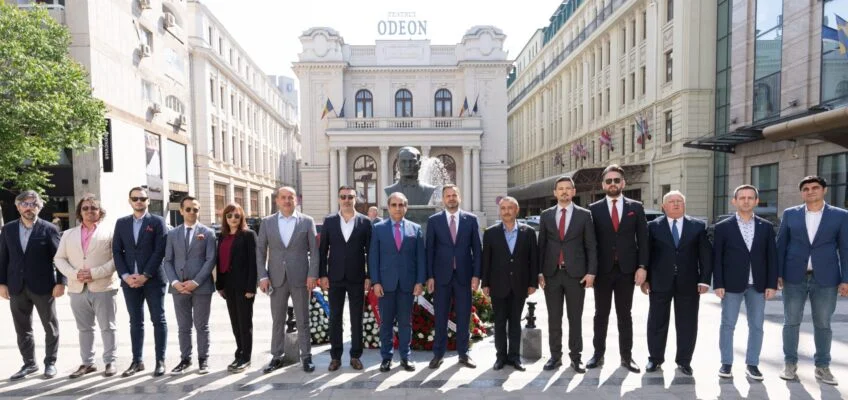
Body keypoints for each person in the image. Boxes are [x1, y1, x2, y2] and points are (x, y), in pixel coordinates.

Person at [776, 175, 848, 385]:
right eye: (806, 189)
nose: (810, 191)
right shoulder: (790, 214)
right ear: (802, 193)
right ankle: (790, 364)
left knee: (823, 324)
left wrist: (846, 279)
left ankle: (822, 367)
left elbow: (845, 249)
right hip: (793, 277)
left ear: (824, 190)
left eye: (815, 188)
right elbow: (781, 245)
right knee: (791, 322)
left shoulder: (840, 216)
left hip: (826, 278)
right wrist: (777, 274)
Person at [642, 190, 712, 376]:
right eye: (671, 201)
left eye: (679, 201)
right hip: (659, 282)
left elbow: (705, 255)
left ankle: (684, 361)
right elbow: (646, 253)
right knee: (656, 322)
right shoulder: (653, 226)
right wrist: (645, 279)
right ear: (663, 206)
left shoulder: (697, 226)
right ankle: (655, 359)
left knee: (687, 323)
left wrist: (705, 280)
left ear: (684, 205)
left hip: (689, 283)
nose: (675, 204)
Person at [586, 165, 648, 373]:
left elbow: (643, 240)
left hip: (626, 270)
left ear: (623, 183)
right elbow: (590, 243)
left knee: (625, 315)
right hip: (602, 270)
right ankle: (598, 355)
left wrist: (642, 267)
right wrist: (591, 270)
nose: (612, 184)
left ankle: (626, 357)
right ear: (603, 185)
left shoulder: (636, 207)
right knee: (600, 314)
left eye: (616, 180)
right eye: (609, 181)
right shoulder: (593, 209)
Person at [713, 185, 777, 380]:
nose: (746, 201)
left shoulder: (766, 227)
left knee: (757, 326)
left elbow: (772, 257)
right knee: (728, 324)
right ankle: (726, 363)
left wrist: (771, 284)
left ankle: (752, 364)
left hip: (758, 285)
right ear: (734, 201)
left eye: (750, 198)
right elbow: (717, 257)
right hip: (731, 284)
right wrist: (718, 283)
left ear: (756, 201)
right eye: (742, 198)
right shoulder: (723, 227)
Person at [0, 190, 63, 380]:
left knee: (50, 326)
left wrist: (61, 282)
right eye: (25, 204)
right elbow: (3, 258)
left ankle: (50, 363)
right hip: (16, 286)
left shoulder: (49, 229)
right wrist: (2, 283)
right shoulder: (8, 229)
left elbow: (60, 258)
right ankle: (29, 364)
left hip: (44, 287)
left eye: (33, 204)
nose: (29, 208)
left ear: (39, 207)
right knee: (22, 328)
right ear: (18, 207)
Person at [54, 195, 119, 378]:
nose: (90, 211)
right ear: (80, 212)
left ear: (100, 211)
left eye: (94, 208)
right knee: (84, 328)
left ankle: (110, 361)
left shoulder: (111, 232)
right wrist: (74, 274)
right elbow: (59, 258)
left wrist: (94, 273)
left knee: (108, 327)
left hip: (103, 286)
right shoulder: (68, 234)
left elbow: (117, 259)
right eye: (85, 208)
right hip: (77, 288)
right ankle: (87, 363)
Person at [257, 186, 318, 373]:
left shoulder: (307, 221)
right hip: (276, 278)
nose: (287, 201)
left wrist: (312, 275)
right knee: (277, 319)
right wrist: (262, 276)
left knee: (303, 319)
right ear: (277, 200)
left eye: (290, 197)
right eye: (283, 197)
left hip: (301, 278)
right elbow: (260, 252)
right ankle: (277, 356)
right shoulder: (267, 222)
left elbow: (314, 251)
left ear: (296, 200)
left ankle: (306, 356)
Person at [539, 176, 597, 373]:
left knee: (575, 318)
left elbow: (591, 246)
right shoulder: (546, 215)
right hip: (552, 274)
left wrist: (591, 272)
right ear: (555, 193)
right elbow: (541, 246)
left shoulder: (584, 215)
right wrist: (539, 272)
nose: (564, 191)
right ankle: (555, 357)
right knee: (554, 318)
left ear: (573, 192)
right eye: (560, 189)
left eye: (567, 188)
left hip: (576, 275)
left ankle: (576, 357)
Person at [112, 186, 169, 377]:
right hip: (130, 282)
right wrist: (125, 276)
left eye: (142, 199)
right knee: (135, 322)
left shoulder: (158, 222)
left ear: (148, 201)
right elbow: (117, 251)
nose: (139, 201)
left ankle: (160, 361)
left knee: (158, 319)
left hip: (153, 280)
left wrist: (145, 275)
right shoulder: (121, 223)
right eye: (135, 198)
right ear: (129, 201)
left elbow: (160, 251)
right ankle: (137, 361)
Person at [426, 184, 481, 369]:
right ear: (443, 199)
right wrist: (430, 276)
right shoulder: (434, 221)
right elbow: (429, 250)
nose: (451, 198)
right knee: (440, 317)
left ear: (459, 197)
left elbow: (477, 250)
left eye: (454, 195)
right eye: (448, 195)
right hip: (441, 277)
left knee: (464, 316)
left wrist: (476, 275)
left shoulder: (471, 220)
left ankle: (464, 354)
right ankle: (438, 354)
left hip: (464, 276)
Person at [370, 192, 426, 372]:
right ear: (388, 207)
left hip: (407, 284)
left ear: (406, 207)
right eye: (394, 205)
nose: (397, 208)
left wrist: (420, 281)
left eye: (401, 205)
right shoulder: (378, 228)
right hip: (385, 284)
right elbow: (373, 258)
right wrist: (376, 282)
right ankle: (386, 358)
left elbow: (420, 258)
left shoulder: (415, 229)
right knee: (386, 323)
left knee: (405, 323)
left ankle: (405, 357)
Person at [319, 185, 372, 371]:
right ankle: (335, 357)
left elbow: (370, 252)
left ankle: (355, 356)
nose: (347, 200)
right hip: (335, 277)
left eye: (350, 197)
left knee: (356, 318)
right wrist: (322, 274)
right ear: (338, 199)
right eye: (343, 197)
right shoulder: (330, 221)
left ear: (355, 199)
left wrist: (369, 276)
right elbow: (322, 250)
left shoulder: (365, 222)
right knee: (335, 318)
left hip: (357, 277)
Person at [481, 196, 538, 371]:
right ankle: (500, 357)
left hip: (520, 285)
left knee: (515, 322)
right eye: (503, 208)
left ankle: (514, 357)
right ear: (500, 211)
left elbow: (533, 260)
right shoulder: (490, 233)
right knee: (499, 323)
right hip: (498, 285)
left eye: (510, 208)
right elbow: (486, 260)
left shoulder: (528, 232)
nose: (506, 211)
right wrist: (485, 283)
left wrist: (532, 282)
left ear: (516, 210)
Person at [163, 196, 217, 375]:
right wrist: (175, 282)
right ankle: (185, 359)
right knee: (183, 326)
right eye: (188, 209)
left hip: (201, 287)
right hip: (179, 288)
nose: (192, 212)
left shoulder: (208, 233)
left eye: (195, 209)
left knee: (202, 325)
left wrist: (195, 282)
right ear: (181, 211)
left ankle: (203, 359)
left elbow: (210, 260)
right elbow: (167, 260)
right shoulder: (172, 234)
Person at [216, 203, 257, 373]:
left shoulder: (248, 235)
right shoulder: (222, 236)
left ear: (242, 218)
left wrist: (251, 288)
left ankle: (246, 357)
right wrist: (219, 285)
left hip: (244, 286)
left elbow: (254, 262)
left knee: (244, 323)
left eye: (237, 216)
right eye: (229, 215)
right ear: (225, 218)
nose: (233, 219)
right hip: (228, 285)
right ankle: (239, 352)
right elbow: (219, 261)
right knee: (235, 322)